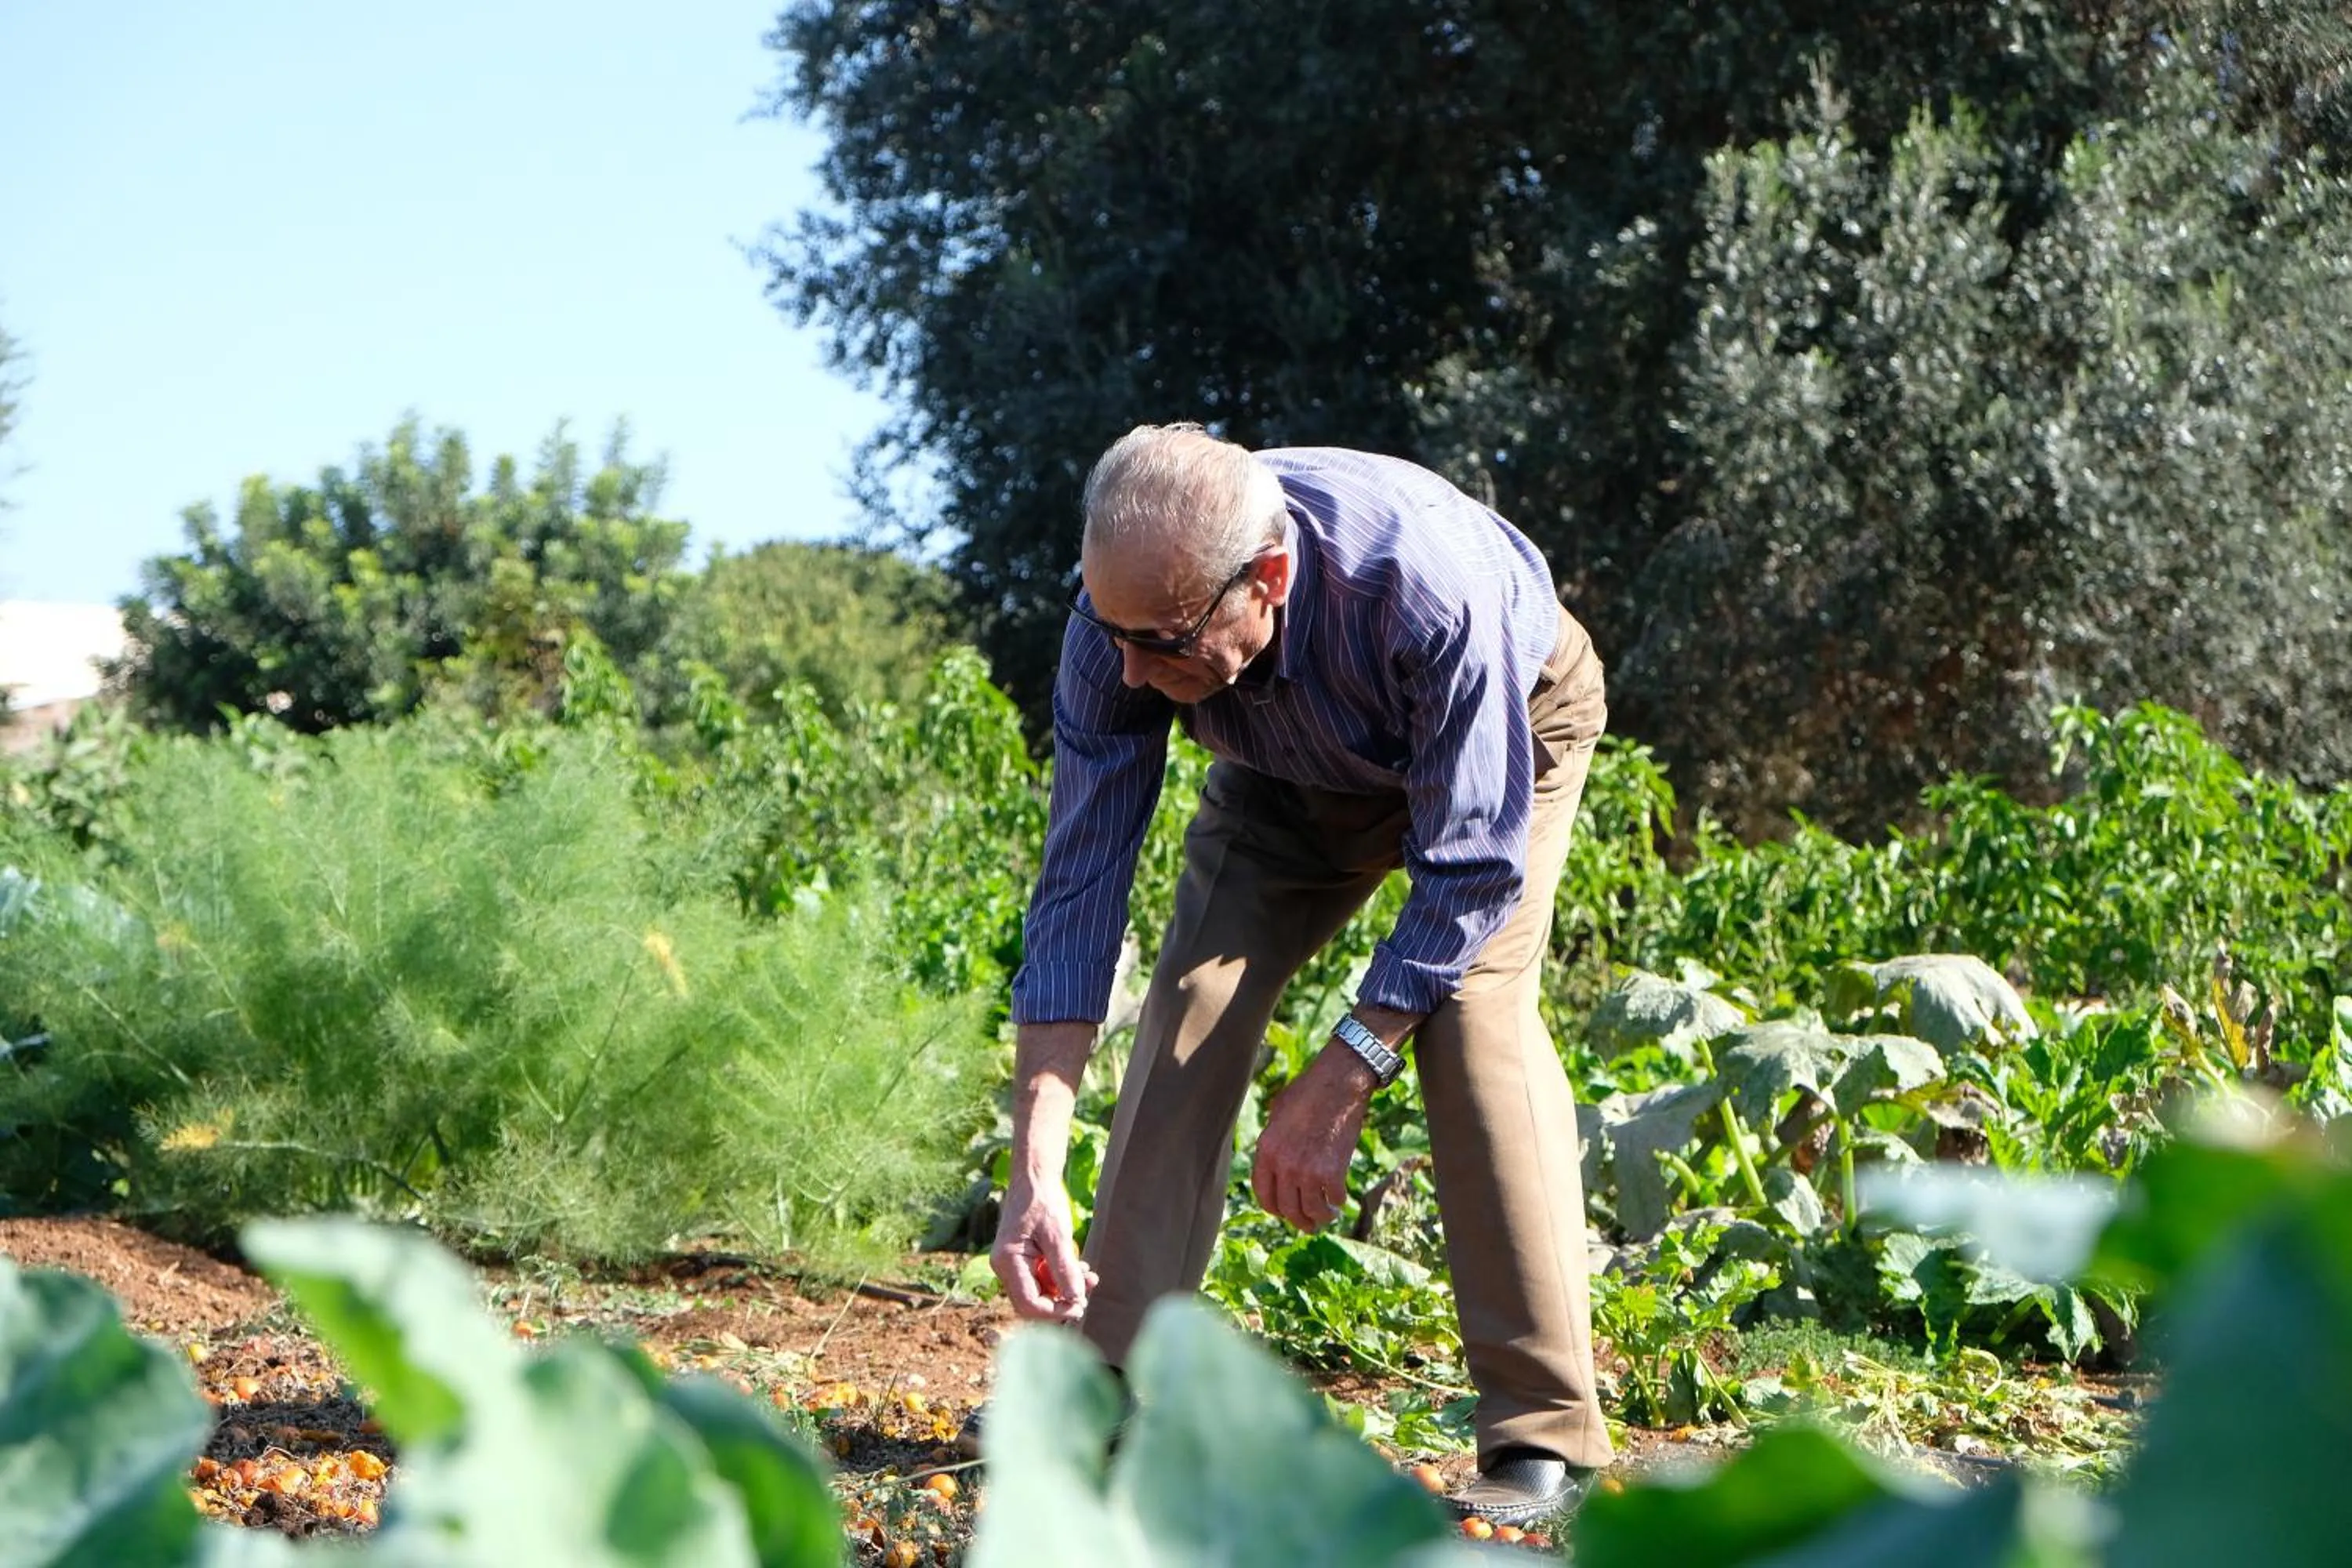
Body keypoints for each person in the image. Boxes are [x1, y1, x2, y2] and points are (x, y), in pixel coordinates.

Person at [988, 423, 1613, 1526]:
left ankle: (1540, 1435)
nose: (1130, 673)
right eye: (1115, 635)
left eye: (1162, 642)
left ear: (1266, 580)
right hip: (1283, 771)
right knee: (1193, 1003)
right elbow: (1081, 879)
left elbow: (1466, 878)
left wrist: (1343, 1074)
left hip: (1508, 732)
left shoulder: (1426, 592)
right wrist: (1035, 1162)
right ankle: (1123, 1382)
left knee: (1470, 1018)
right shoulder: (1126, 619)